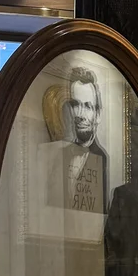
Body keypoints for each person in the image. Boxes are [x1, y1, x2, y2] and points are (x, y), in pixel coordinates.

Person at [48, 66, 109, 211]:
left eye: (87, 106)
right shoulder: (60, 156)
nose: (80, 114)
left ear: (98, 114)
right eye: (76, 105)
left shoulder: (101, 158)